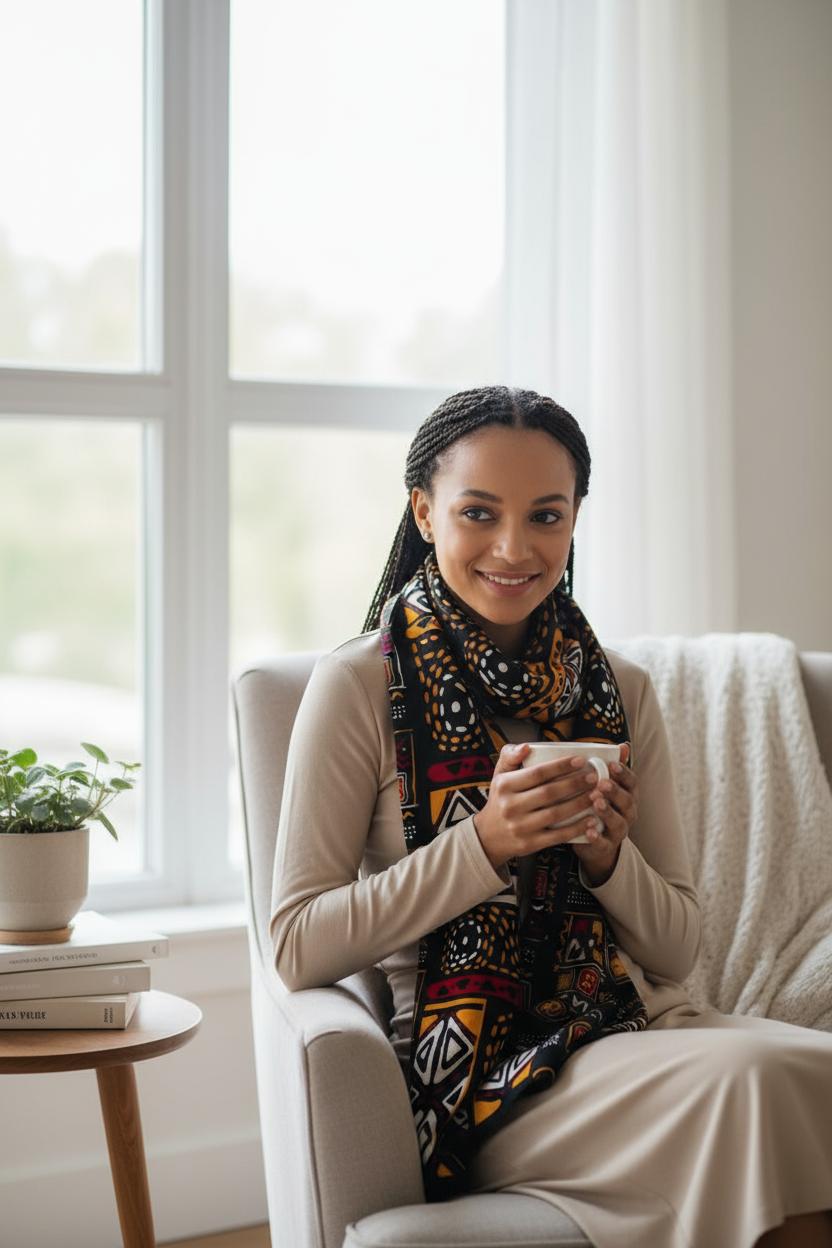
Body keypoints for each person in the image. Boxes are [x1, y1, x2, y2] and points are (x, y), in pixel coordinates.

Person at [269, 386, 832, 1248]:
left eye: (545, 516)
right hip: (488, 1077)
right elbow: (296, 943)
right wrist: (484, 845)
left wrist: (610, 858)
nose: (513, 547)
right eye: (478, 513)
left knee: (799, 1076)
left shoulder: (622, 688)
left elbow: (677, 949)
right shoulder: (358, 687)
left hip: (638, 1029)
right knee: (757, 1079)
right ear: (423, 512)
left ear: (574, 520)